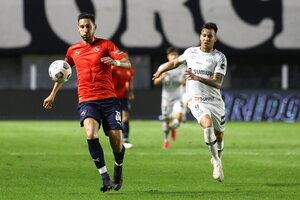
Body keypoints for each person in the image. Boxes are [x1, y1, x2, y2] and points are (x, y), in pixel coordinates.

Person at [43, 13, 131, 192]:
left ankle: (118, 169)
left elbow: (127, 63)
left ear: (94, 27)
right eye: (82, 26)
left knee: (116, 140)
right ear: (78, 28)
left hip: (109, 100)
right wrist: (52, 94)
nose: (85, 30)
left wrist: (115, 62)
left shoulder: (106, 45)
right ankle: (105, 177)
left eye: (88, 26)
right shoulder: (72, 50)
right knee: (91, 134)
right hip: (87, 100)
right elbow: (63, 74)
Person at [153, 22, 227, 182]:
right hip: (196, 99)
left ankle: (217, 157)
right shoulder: (190, 52)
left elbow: (218, 83)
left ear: (215, 38)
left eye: (210, 36)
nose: (206, 38)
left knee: (219, 136)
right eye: (204, 35)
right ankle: (217, 163)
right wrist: (161, 70)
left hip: (215, 101)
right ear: (200, 36)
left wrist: (197, 77)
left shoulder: (219, 58)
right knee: (206, 124)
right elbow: (174, 63)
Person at [153, 47, 186, 149]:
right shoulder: (163, 67)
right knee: (167, 123)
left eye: (175, 55)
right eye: (172, 55)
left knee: (179, 118)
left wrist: (184, 81)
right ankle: (166, 139)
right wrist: (162, 76)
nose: (173, 57)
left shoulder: (182, 68)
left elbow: (186, 81)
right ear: (168, 56)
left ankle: (174, 127)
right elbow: (155, 82)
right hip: (166, 99)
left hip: (178, 98)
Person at [111, 54, 135, 149]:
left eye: (127, 58)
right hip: (113, 96)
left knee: (125, 118)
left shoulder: (130, 70)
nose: (126, 59)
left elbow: (129, 82)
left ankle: (125, 139)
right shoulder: (114, 68)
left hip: (123, 97)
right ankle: (117, 139)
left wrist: (131, 92)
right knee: (116, 119)